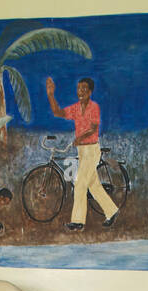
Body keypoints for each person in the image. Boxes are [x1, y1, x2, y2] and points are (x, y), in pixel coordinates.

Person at [45, 76, 118, 231]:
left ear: (90, 91)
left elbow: (93, 128)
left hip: (91, 149)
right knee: (94, 186)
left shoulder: (94, 107)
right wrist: (51, 94)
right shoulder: (76, 108)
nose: (81, 91)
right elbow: (57, 112)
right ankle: (112, 211)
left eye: (84, 88)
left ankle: (78, 221)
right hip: (82, 150)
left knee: (80, 183)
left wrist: (80, 138)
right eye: (79, 88)